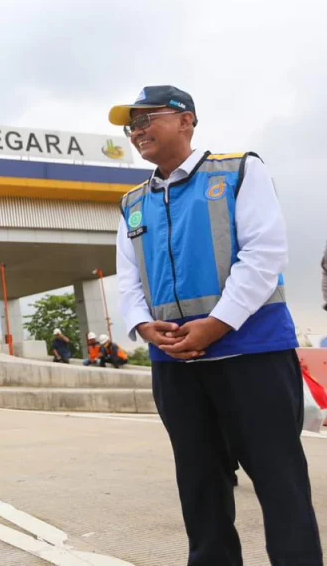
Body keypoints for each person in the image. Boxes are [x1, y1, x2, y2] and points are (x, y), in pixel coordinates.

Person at [110, 85, 321, 564]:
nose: (138, 130)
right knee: (201, 490)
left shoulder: (240, 170)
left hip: (252, 356)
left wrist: (217, 323)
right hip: (176, 367)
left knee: (279, 482)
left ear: (187, 121)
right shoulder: (132, 203)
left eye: (148, 118)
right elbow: (129, 282)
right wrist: (144, 326)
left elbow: (264, 255)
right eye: (132, 124)